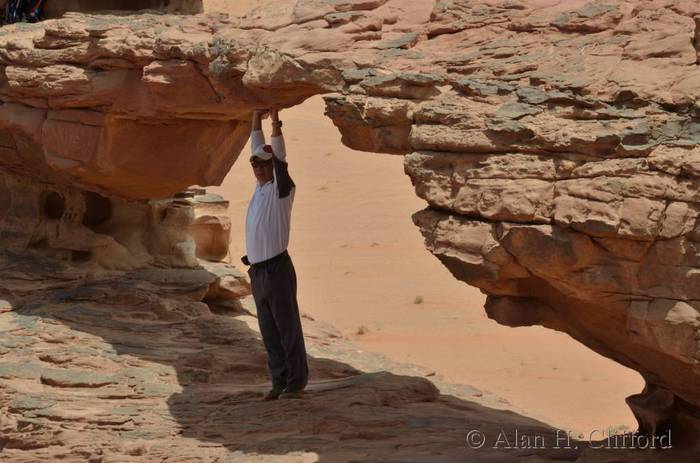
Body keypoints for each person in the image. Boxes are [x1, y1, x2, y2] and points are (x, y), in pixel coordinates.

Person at [242, 108, 309, 400]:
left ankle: (296, 382)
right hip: (257, 273)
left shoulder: (281, 191)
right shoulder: (258, 190)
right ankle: (278, 381)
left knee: (287, 327)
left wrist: (275, 120)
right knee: (268, 331)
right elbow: (255, 146)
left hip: (277, 269)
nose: (259, 169)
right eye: (255, 165)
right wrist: (255, 115)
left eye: (264, 166)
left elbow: (279, 157)